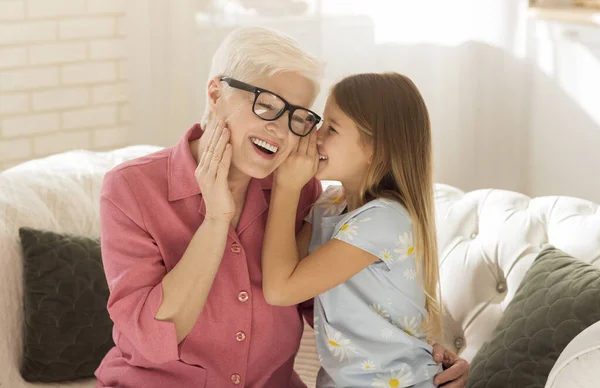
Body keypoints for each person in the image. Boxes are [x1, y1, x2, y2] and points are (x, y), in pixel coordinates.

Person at [95, 27, 469, 388]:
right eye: (267, 105)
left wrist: (424, 355)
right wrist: (216, 220)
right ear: (215, 94)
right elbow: (150, 336)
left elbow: (334, 298)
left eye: (297, 116)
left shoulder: (300, 188)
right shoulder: (130, 188)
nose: (283, 130)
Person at [262, 72, 445, 387]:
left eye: (331, 129)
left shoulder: (384, 220)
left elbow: (280, 290)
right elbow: (285, 265)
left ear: (378, 149)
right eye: (321, 123)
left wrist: (286, 188)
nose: (315, 136)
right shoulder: (330, 202)